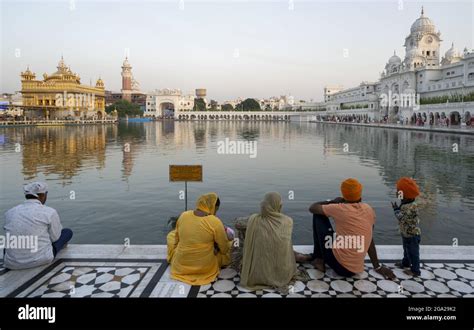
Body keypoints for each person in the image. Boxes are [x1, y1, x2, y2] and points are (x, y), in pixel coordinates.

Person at [298, 178, 395, 279]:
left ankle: (318, 258)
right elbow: (369, 238)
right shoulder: (368, 209)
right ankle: (317, 257)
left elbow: (313, 208)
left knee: (318, 215)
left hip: (340, 267)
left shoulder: (339, 208)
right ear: (360, 194)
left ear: (343, 194)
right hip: (356, 269)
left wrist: (332, 201)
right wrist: (377, 266)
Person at [3, 182, 73, 270]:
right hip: (41, 259)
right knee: (67, 232)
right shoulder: (49, 212)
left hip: (11, 263)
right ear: (42, 196)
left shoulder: (10, 212)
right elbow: (55, 238)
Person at [167, 192, 232, 285]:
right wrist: (216, 248)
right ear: (213, 207)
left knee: (171, 236)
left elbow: (177, 240)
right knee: (230, 243)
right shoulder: (215, 221)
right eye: (216, 209)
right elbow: (224, 248)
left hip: (181, 266)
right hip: (205, 268)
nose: (216, 211)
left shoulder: (184, 215)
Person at [240, 192, 297, 290]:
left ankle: (246, 263)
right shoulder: (288, 221)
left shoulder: (254, 220)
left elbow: (238, 223)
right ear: (279, 205)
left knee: (243, 234)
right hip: (283, 274)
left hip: (257, 275)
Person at [392, 177, 421, 276]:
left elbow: (401, 218)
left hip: (412, 235)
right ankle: (406, 263)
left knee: (413, 253)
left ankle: (415, 271)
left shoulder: (409, 207)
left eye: (400, 193)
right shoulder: (409, 203)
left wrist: (396, 210)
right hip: (406, 233)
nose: (398, 195)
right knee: (406, 250)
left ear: (406, 196)